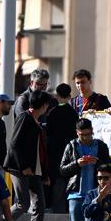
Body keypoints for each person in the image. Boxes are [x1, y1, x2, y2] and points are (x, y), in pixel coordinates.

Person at [6, 89, 53, 221]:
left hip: (35, 172)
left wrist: (45, 174)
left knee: (40, 205)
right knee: (23, 203)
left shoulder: (36, 122)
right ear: (44, 105)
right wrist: (24, 165)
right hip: (19, 169)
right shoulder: (25, 118)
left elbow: (40, 152)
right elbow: (14, 144)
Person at [62, 118, 111, 221]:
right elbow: (62, 170)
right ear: (77, 133)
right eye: (82, 135)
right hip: (76, 194)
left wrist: (98, 163)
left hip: (96, 194)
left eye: (88, 134)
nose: (85, 138)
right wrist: (77, 164)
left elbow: (110, 168)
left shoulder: (101, 146)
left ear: (92, 132)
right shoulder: (71, 146)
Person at [45, 83, 80, 213]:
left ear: (57, 96)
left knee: (56, 182)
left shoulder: (51, 113)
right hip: (69, 152)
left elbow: (48, 133)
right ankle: (66, 209)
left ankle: (56, 209)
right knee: (67, 181)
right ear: (70, 96)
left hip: (54, 152)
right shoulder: (73, 114)